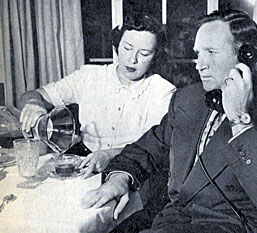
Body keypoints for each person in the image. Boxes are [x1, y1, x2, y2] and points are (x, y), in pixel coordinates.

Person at [80, 9, 257, 233]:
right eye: (198, 53)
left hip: (236, 225)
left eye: (211, 52)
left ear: (246, 56)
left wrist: (239, 120)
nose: (200, 64)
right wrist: (119, 178)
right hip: (174, 218)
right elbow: (148, 148)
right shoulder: (189, 98)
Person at [19, 12, 176, 174]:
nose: (132, 59)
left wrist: (110, 154)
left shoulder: (163, 91)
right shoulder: (89, 76)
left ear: (155, 55)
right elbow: (32, 95)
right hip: (84, 159)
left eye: (144, 53)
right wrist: (34, 104)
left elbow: (159, 148)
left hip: (134, 168)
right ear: (116, 46)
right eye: (127, 48)